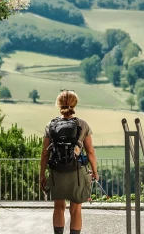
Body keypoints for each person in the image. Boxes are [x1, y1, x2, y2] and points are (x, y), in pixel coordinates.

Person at [40, 90, 98, 234]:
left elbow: (45, 153)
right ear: (75, 104)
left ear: (58, 104)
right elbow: (90, 152)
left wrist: (42, 175)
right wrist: (95, 172)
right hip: (77, 172)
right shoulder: (82, 124)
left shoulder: (51, 125)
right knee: (76, 210)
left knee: (58, 207)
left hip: (57, 172)